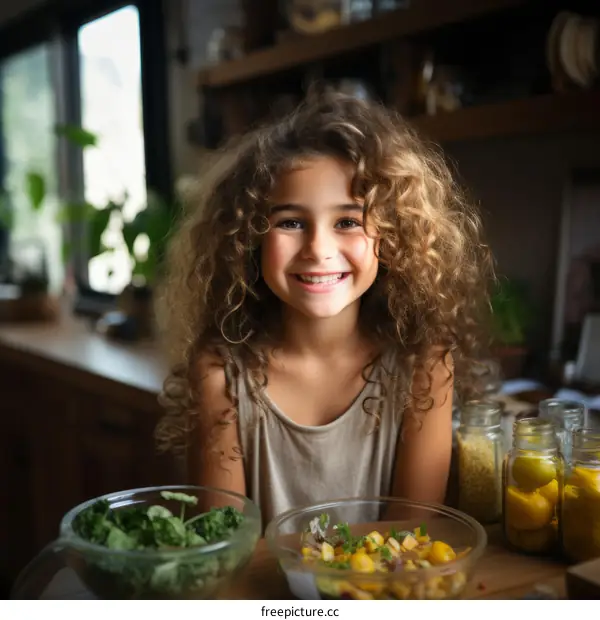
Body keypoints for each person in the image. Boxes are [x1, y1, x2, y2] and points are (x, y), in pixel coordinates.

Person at [154, 90, 494, 527]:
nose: (318, 249)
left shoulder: (425, 367)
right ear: (249, 237)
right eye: (291, 222)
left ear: (393, 236)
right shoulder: (221, 374)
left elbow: (410, 535)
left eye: (348, 222)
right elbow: (226, 543)